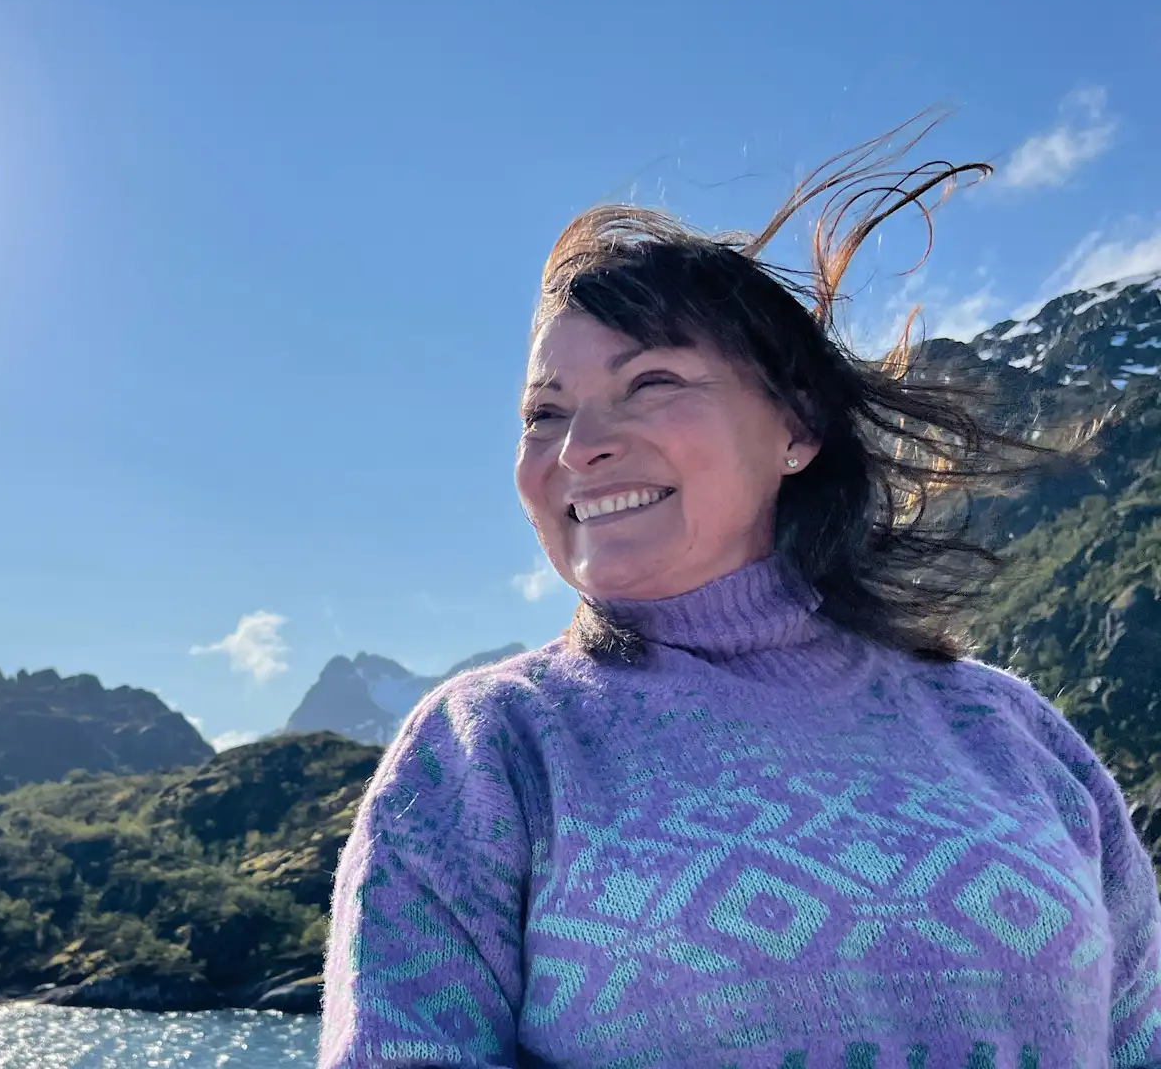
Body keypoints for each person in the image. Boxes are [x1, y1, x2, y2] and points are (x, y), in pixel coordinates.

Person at [317, 119, 1161, 1068]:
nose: (579, 443)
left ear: (796, 427)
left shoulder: (1011, 735)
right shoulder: (488, 751)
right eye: (544, 411)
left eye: (651, 382)